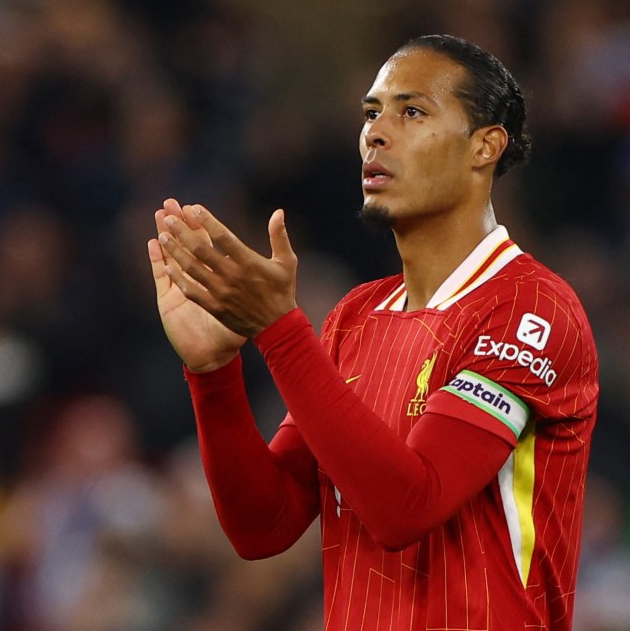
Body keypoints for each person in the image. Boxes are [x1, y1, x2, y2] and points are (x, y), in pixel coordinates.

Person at [147, 34, 599, 630]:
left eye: (412, 111)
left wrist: (280, 331)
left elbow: (408, 506)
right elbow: (266, 525)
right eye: (371, 113)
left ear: (485, 146)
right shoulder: (356, 317)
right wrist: (213, 374)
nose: (376, 133)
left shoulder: (530, 308)